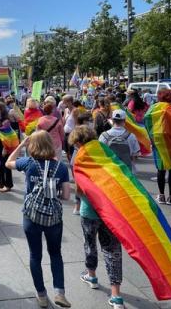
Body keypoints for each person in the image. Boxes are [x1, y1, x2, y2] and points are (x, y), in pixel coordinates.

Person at [6, 131, 71, 308]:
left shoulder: (29, 163)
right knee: (55, 254)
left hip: (31, 216)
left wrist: (20, 145)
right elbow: (66, 196)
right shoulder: (61, 168)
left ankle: (41, 295)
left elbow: (8, 162)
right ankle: (59, 292)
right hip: (53, 218)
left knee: (35, 255)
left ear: (32, 146)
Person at [68, 125, 125, 309]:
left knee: (90, 243)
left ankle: (91, 276)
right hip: (110, 211)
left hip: (89, 211)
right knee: (112, 250)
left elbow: (79, 187)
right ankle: (116, 296)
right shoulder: (105, 152)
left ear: (77, 141)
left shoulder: (80, 157)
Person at [145, 88, 171, 205]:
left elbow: (146, 119)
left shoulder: (153, 108)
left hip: (157, 141)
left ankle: (161, 196)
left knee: (160, 168)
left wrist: (151, 136)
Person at [0, 102, 13, 192]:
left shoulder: (6, 121)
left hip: (5, 145)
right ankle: (0, 182)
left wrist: (5, 148)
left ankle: (8, 185)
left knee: (6, 165)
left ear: (1, 110)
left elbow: (8, 136)